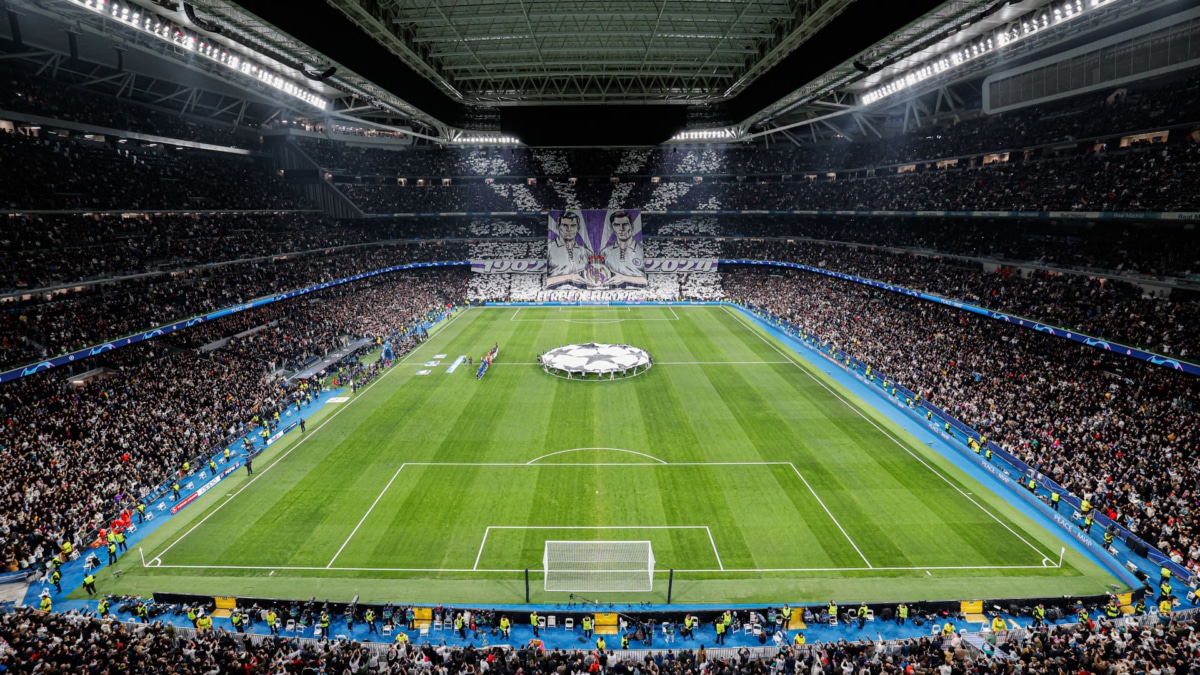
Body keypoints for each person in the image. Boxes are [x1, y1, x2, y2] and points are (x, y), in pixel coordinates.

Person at [600, 210, 647, 288]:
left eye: (625, 224)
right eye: (617, 225)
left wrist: (624, 278)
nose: (621, 229)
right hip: (613, 292)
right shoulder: (605, 252)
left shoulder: (641, 250)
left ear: (631, 226)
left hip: (637, 292)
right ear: (612, 227)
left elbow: (646, 279)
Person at [546, 211, 591, 287]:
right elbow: (543, 280)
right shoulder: (548, 249)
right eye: (564, 225)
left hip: (581, 294)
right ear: (558, 227)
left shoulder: (586, 252)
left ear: (578, 228)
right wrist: (568, 277)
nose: (569, 229)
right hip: (557, 294)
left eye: (573, 225)